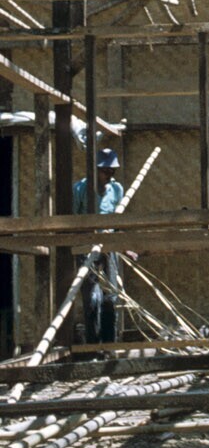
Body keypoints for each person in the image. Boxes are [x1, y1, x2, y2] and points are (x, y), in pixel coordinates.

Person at [72, 148, 125, 345]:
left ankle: (109, 344)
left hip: (109, 247)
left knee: (111, 296)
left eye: (112, 171)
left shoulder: (116, 189)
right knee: (92, 298)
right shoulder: (80, 189)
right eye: (105, 171)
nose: (109, 175)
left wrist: (123, 246)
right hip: (87, 248)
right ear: (95, 170)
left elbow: (118, 223)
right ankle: (93, 345)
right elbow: (72, 221)